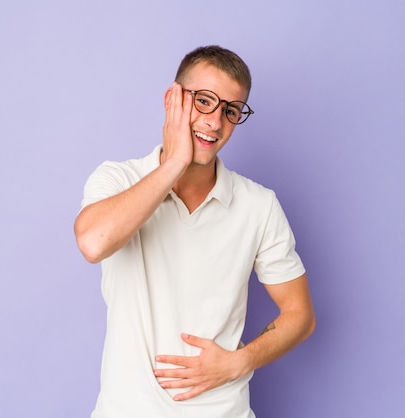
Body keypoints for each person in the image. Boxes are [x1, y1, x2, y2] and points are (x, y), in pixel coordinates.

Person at [74, 45, 315, 418]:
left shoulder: (258, 204)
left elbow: (300, 313)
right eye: (204, 101)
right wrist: (175, 162)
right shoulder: (118, 179)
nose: (215, 122)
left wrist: (240, 361)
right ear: (173, 99)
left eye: (230, 110)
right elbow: (93, 243)